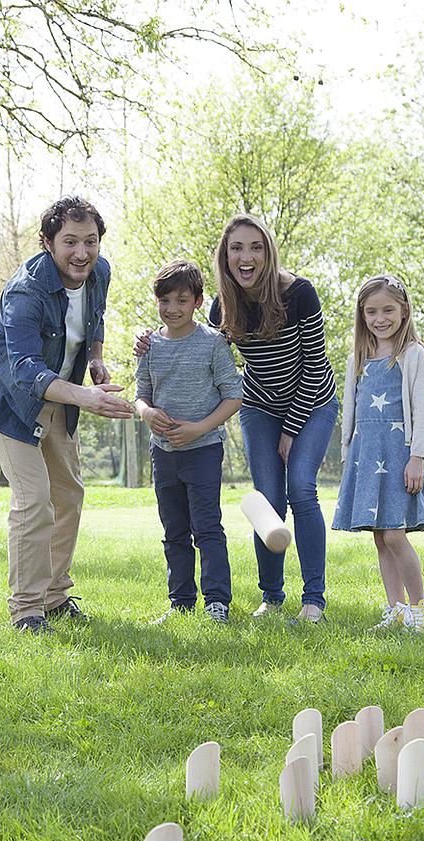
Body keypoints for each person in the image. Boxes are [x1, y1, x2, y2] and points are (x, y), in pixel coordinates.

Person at [135, 214, 338, 622]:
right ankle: (272, 596)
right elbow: (196, 346)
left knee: (300, 489)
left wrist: (292, 428)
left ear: (268, 252)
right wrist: (147, 339)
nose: (246, 257)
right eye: (236, 249)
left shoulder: (299, 293)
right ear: (225, 258)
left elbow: (316, 366)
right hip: (260, 406)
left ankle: (313, 598)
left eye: (255, 247)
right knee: (267, 498)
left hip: (312, 403)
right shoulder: (221, 307)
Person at [0, 195, 134, 634]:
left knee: (69, 495)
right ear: (47, 243)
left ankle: (55, 597)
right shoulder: (26, 291)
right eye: (70, 242)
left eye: (90, 241)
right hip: (8, 400)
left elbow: (94, 321)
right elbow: (24, 368)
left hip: (61, 395)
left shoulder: (99, 272)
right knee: (34, 498)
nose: (82, 252)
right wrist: (85, 397)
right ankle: (27, 610)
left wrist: (96, 360)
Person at [134, 260, 244, 623]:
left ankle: (217, 602)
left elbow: (234, 395)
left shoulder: (212, 344)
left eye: (182, 300)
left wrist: (199, 428)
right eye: (165, 301)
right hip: (163, 453)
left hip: (203, 451)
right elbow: (141, 396)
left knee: (207, 527)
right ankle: (180, 602)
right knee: (174, 530)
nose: (173, 309)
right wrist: (147, 414)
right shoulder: (149, 346)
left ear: (198, 301)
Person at [332, 274, 424, 632]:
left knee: (395, 532)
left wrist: (418, 457)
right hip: (367, 454)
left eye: (388, 310)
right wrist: (348, 454)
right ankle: (395, 609)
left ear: (404, 311)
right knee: (380, 535)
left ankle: (419, 608)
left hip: (399, 455)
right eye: (371, 312)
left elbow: (422, 410)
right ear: (362, 315)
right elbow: (350, 409)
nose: (380, 318)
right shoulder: (359, 358)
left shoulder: (413, 355)